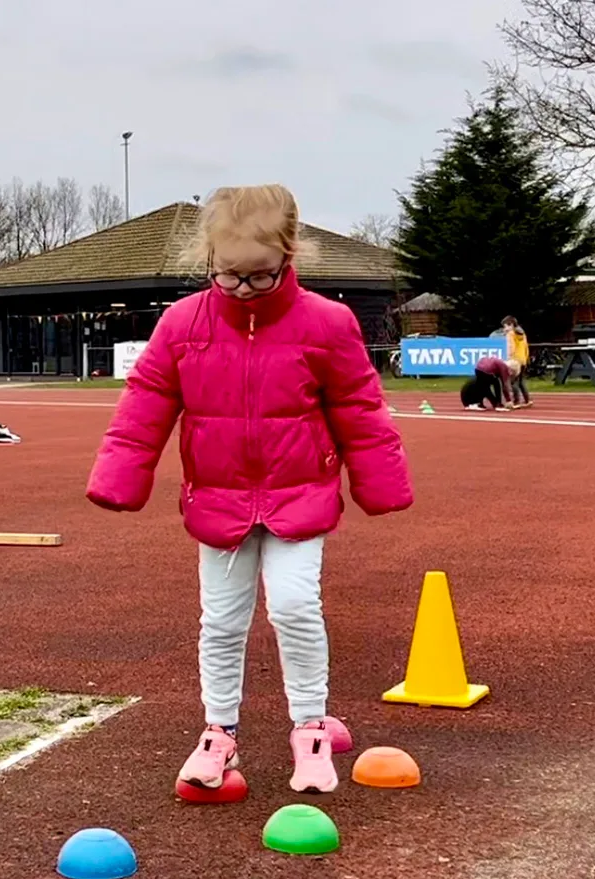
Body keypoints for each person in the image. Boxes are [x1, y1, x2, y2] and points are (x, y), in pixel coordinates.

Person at [86, 184, 413, 795]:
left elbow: (359, 408)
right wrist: (119, 478)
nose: (242, 289)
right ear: (209, 260)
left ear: (289, 257)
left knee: (294, 607)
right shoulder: (183, 323)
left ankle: (311, 730)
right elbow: (146, 404)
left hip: (301, 496)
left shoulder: (327, 322)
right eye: (227, 276)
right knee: (223, 620)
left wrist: (382, 483)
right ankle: (219, 732)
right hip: (218, 501)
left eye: (259, 277)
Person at [501, 316, 531, 406]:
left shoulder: (511, 334)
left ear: (511, 325)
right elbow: (526, 347)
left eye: (505, 326)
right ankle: (527, 400)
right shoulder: (523, 334)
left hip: (515, 359)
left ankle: (516, 401)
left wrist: (509, 357)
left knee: (513, 381)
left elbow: (511, 346)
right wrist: (526, 358)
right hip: (523, 359)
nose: (504, 328)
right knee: (521, 381)